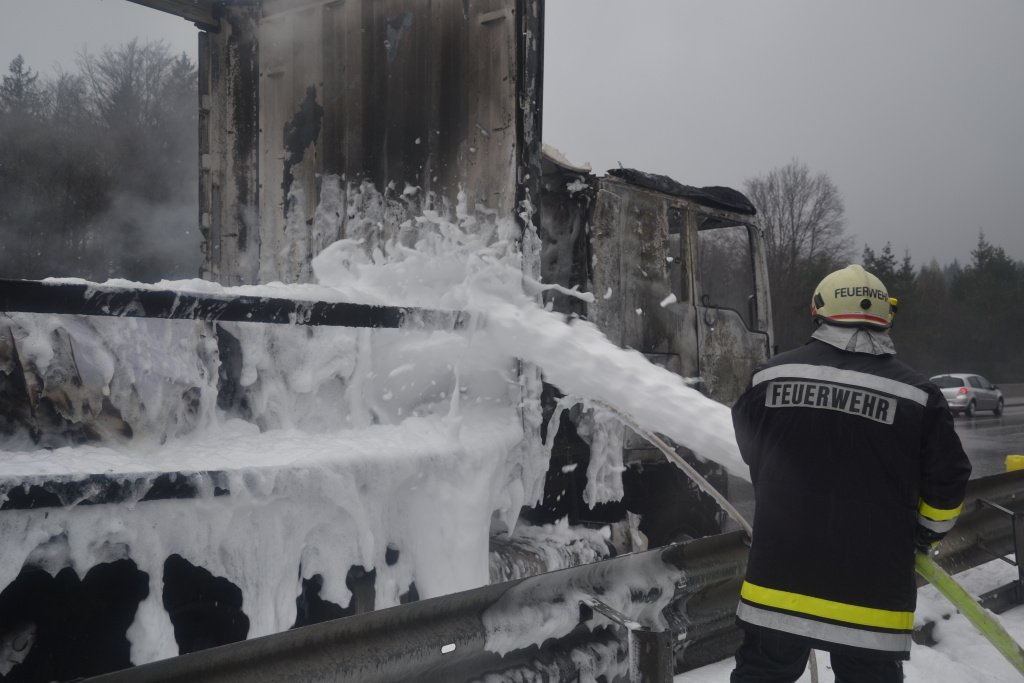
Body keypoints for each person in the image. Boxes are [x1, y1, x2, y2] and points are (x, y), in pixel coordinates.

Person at [730, 264, 972, 683]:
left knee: (763, 675)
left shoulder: (768, 377)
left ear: (818, 312)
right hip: (871, 594)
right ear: (885, 317)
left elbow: (753, 451)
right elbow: (946, 487)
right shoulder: (919, 397)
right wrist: (923, 535)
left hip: (778, 583)